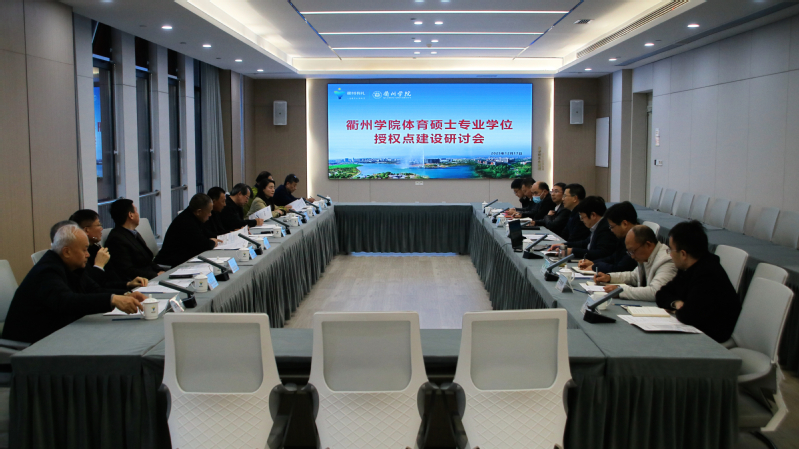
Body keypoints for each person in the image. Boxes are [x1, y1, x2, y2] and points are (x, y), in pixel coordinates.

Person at [2, 224, 144, 344]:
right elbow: (67, 301)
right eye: (84, 250)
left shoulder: (71, 267)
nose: (88, 254)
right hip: (30, 347)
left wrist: (125, 295)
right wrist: (112, 300)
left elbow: (94, 290)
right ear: (67, 252)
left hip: (58, 335)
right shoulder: (46, 271)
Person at [656, 220, 741, 342]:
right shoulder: (688, 268)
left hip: (712, 337)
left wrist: (679, 309)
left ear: (683, 254)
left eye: (671, 250)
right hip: (695, 329)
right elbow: (661, 294)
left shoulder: (708, 274)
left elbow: (688, 316)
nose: (670, 255)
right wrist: (676, 303)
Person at [67, 210, 148, 290]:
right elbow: (91, 287)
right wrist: (98, 265)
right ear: (86, 230)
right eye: (99, 225)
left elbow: (111, 279)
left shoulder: (96, 248)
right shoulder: (79, 255)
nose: (101, 228)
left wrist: (128, 284)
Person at [593, 225, 677, 301]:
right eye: (629, 252)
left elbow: (656, 292)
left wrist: (620, 291)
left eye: (633, 251)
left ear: (648, 245)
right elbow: (634, 276)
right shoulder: (647, 256)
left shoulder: (666, 261)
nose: (632, 256)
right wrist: (609, 277)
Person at [103, 199, 164, 280]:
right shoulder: (116, 240)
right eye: (136, 211)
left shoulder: (132, 233)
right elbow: (127, 271)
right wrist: (155, 275)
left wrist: (160, 271)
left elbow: (148, 260)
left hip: (151, 275)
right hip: (142, 281)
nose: (138, 214)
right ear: (131, 215)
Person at [154, 194, 221, 267]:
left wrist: (211, 240)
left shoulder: (193, 216)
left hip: (182, 258)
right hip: (169, 263)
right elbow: (204, 245)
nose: (210, 215)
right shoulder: (186, 222)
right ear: (199, 212)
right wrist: (212, 242)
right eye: (209, 212)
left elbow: (206, 234)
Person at [578, 201, 639, 274]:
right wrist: (593, 263)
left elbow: (620, 268)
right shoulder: (623, 238)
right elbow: (613, 258)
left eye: (612, 227)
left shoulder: (636, 241)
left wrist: (596, 266)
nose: (611, 230)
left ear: (625, 224)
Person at [549, 196, 615, 260]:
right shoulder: (598, 226)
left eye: (582, 217)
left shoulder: (606, 229)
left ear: (593, 215)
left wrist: (572, 251)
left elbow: (601, 253)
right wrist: (564, 245)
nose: (581, 220)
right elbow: (585, 243)